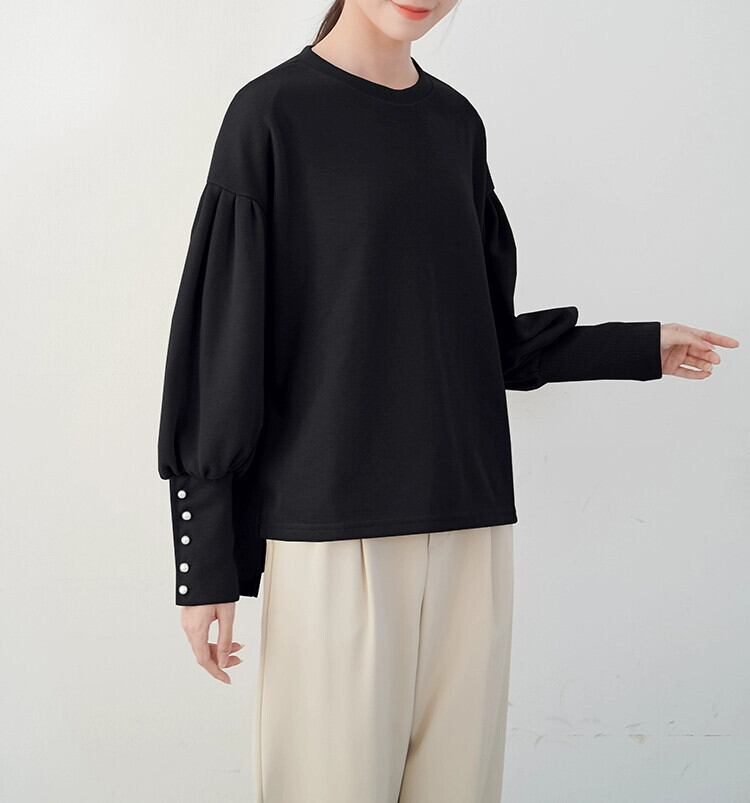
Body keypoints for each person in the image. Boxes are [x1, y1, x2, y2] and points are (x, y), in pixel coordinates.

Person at [156, 2, 740, 801]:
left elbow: (486, 339)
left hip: (472, 532)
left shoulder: (456, 125)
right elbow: (221, 349)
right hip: (335, 538)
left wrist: (636, 347)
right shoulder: (271, 115)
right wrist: (205, 564)